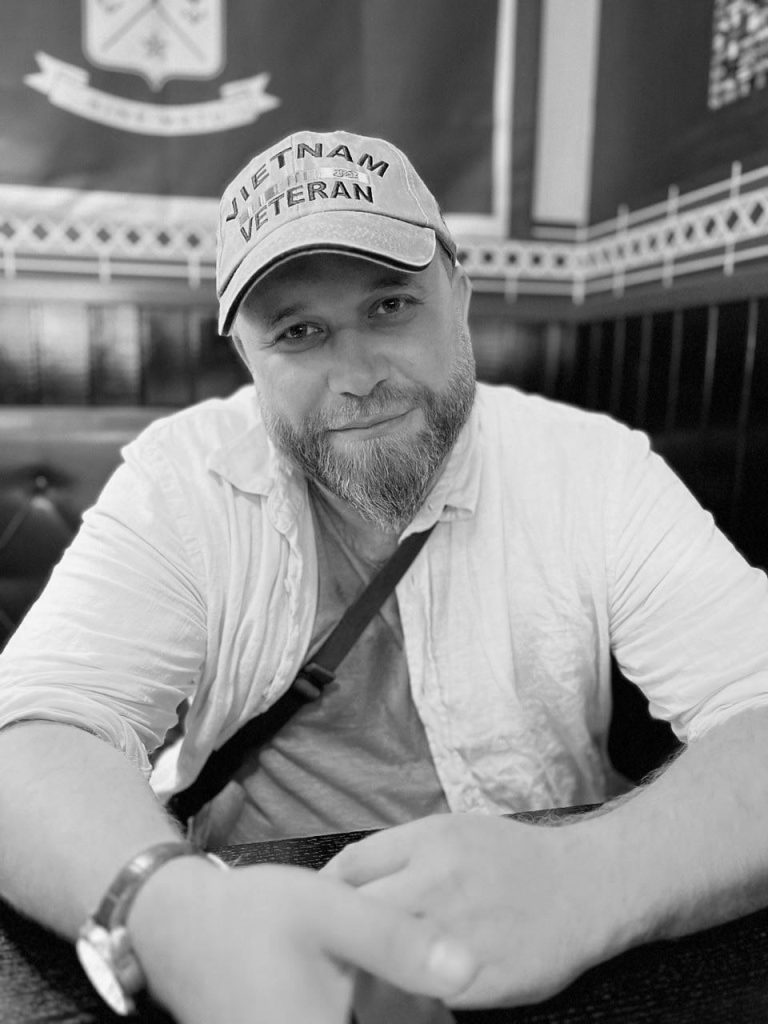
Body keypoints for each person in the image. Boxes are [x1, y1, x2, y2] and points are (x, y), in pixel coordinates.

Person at [1, 128, 768, 1023]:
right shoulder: (183, 481)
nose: (358, 377)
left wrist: (597, 878)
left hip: (553, 930)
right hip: (258, 919)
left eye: (391, 305)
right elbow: (33, 733)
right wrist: (174, 914)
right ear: (248, 355)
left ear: (459, 295)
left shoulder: (593, 469)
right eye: (299, 331)